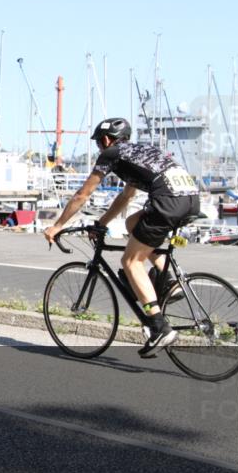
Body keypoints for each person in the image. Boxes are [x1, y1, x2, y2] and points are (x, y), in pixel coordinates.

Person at [43, 118, 200, 358]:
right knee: (132, 223)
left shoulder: (112, 153)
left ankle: (158, 326)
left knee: (130, 263)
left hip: (168, 202)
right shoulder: (140, 152)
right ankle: (169, 281)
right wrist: (101, 223)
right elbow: (127, 196)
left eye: (98, 143)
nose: (99, 147)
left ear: (106, 139)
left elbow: (83, 194)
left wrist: (57, 226)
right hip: (190, 199)